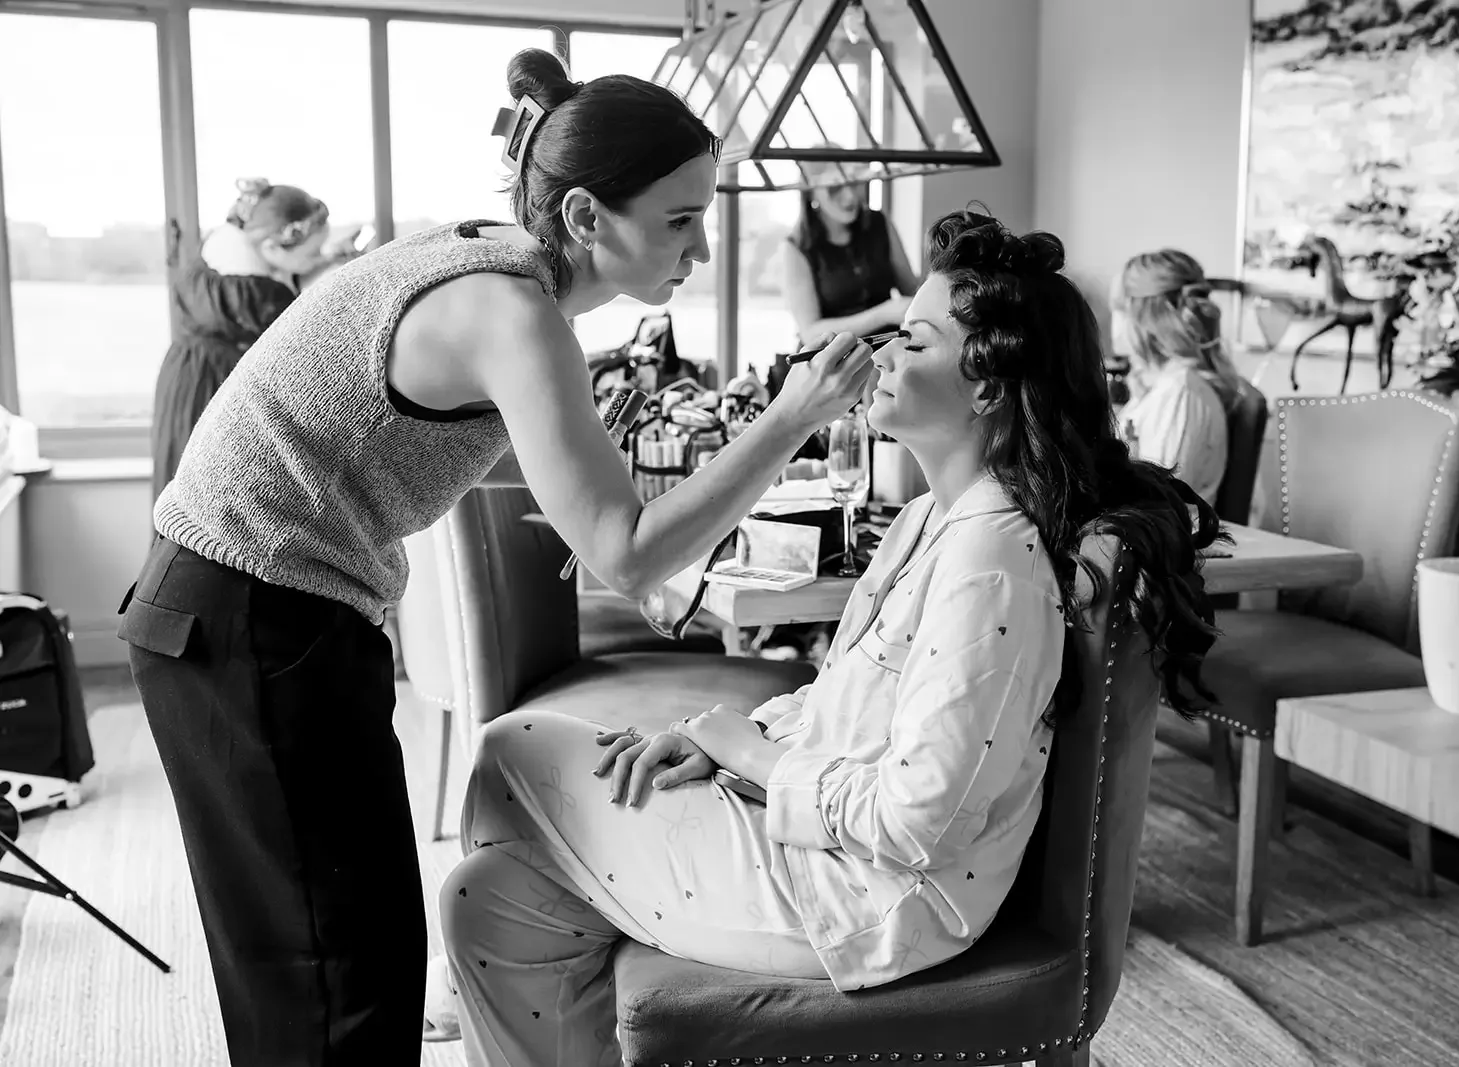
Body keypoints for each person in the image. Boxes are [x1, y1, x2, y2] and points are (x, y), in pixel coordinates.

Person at [116, 47, 874, 1067]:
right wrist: (789, 418)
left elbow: (569, 500)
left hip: (241, 605)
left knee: (341, 961)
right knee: (333, 979)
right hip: (250, 614)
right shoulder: (516, 315)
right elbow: (624, 553)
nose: (700, 249)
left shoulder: (488, 259)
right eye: (680, 220)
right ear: (584, 216)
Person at [434, 208, 1220, 1066]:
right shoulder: (926, 519)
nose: (881, 355)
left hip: (868, 899)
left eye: (914, 341)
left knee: (510, 748)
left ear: (989, 387)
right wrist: (728, 739)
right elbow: (841, 695)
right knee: (488, 897)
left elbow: (920, 822)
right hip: (820, 847)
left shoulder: (992, 561)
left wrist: (754, 757)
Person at [150, 178, 356, 501]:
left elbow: (289, 264)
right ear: (273, 246)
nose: (317, 257)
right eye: (313, 251)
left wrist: (322, 259)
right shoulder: (256, 292)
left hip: (186, 371)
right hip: (215, 385)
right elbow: (294, 336)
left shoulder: (224, 249)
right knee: (214, 494)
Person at [1112, 249, 1244, 506]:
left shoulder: (1181, 394)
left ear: (1142, 316)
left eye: (1117, 308)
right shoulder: (1160, 389)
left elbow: (1158, 504)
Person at [779, 159, 921, 349]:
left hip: (888, 353)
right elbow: (810, 332)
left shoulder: (879, 223)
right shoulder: (796, 246)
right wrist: (883, 314)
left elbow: (911, 289)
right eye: (835, 187)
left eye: (854, 183)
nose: (850, 196)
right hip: (835, 359)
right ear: (811, 192)